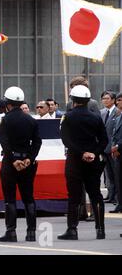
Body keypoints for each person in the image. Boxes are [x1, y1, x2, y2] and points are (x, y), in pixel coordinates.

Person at [58, 85, 107, 240]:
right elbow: (104, 140)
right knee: (96, 195)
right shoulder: (96, 117)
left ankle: (72, 230)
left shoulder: (68, 116)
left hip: (74, 160)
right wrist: (93, 153)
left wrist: (81, 153)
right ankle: (100, 229)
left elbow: (66, 140)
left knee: (74, 195)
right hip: (93, 161)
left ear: (73, 100)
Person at [0, 87, 42, 242]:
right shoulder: (31, 120)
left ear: (7, 103)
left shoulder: (5, 120)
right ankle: (31, 232)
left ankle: (11, 232)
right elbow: (37, 141)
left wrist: (13, 160)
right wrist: (30, 157)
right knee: (28, 197)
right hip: (27, 163)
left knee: (10, 198)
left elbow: (5, 143)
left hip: (11, 163)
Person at [100, 91, 118, 204]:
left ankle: (117, 197)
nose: (105, 100)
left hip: (114, 149)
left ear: (113, 100)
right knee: (108, 175)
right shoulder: (101, 112)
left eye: (107, 98)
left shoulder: (118, 112)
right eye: (103, 98)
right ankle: (111, 195)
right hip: (104, 148)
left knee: (116, 174)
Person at [110, 93, 122, 213]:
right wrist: (114, 146)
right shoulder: (118, 117)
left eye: (119, 100)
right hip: (118, 154)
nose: (117, 103)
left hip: (120, 150)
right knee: (118, 180)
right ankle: (120, 203)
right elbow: (115, 135)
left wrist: (118, 146)